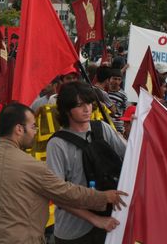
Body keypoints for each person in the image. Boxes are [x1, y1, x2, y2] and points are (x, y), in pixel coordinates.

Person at [0, 102, 127, 244]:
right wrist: (104, 197)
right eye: (33, 127)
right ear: (19, 129)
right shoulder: (34, 167)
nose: (35, 132)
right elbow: (68, 193)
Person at [47, 81, 127, 243]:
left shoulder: (102, 128)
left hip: (111, 219)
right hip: (74, 230)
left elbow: (131, 156)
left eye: (89, 103)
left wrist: (139, 128)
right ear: (66, 110)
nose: (87, 109)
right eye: (80, 105)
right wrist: (95, 219)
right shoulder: (57, 144)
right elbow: (57, 195)